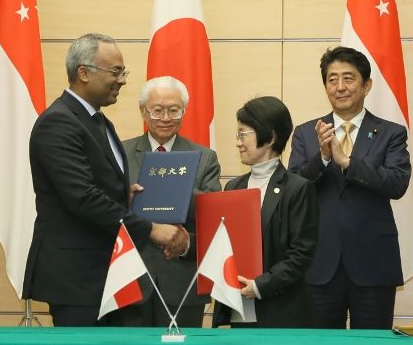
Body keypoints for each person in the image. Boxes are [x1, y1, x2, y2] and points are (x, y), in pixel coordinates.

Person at [22, 33, 189, 327]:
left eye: (122, 72)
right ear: (83, 73)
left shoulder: (98, 121)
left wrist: (125, 195)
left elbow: (94, 187)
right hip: (77, 279)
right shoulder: (58, 122)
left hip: (108, 274)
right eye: (115, 71)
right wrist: (151, 229)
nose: (122, 80)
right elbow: (82, 198)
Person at [288, 46, 411, 329]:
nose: (340, 87)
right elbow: (294, 191)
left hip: (373, 263)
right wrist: (322, 158)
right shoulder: (307, 133)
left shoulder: (391, 132)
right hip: (319, 264)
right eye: (332, 80)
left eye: (348, 78)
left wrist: (347, 162)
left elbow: (397, 183)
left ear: (366, 85)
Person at [116, 76, 221, 327]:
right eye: (157, 110)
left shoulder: (205, 158)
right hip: (129, 278)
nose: (165, 118)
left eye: (174, 110)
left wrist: (185, 242)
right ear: (143, 111)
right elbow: (102, 210)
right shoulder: (119, 153)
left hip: (182, 282)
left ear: (184, 111)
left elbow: (213, 221)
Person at [213, 96, 318, 328]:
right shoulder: (233, 187)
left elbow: (301, 255)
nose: (238, 142)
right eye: (237, 135)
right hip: (240, 308)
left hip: (282, 312)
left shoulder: (298, 188)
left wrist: (261, 286)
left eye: (243, 134)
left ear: (269, 137)